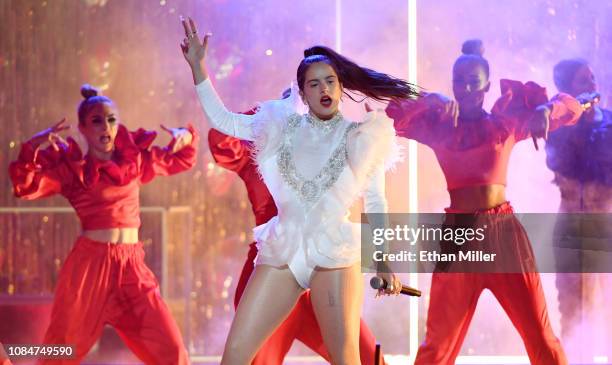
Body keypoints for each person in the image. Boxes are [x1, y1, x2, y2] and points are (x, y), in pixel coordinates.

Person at [180, 16, 417, 365]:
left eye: (330, 82)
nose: (324, 90)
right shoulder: (279, 128)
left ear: (339, 88)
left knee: (346, 358)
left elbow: (376, 201)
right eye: (314, 84)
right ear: (302, 92)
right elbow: (225, 121)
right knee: (234, 355)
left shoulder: (362, 138)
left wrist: (382, 262)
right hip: (284, 251)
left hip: (334, 255)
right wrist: (199, 68)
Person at [387, 39, 583, 364]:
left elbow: (572, 108)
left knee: (541, 337)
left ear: (488, 86)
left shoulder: (503, 123)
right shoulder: (440, 126)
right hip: (459, 238)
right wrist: (430, 99)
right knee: (437, 347)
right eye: (457, 83)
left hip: (504, 235)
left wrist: (548, 109)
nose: (465, 89)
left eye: (473, 83)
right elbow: (396, 117)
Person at [9, 84, 197, 365]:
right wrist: (33, 145)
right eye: (96, 120)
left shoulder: (135, 162)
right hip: (89, 268)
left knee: (171, 350)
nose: (105, 127)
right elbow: (25, 186)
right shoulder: (75, 171)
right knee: (61, 352)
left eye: (111, 119)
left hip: (132, 267)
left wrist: (184, 138)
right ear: (82, 128)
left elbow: (179, 159)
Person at [208, 97, 384, 365]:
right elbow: (221, 134)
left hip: (327, 261)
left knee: (363, 356)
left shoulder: (337, 145)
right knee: (250, 357)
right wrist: (266, 113)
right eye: (295, 101)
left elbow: (375, 198)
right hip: (274, 264)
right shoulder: (261, 153)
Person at [545, 58, 612, 346]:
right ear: (568, 92)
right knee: (573, 314)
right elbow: (560, 164)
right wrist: (576, 119)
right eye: (583, 81)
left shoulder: (610, 122)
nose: (593, 85)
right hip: (572, 229)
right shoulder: (558, 128)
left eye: (593, 79)